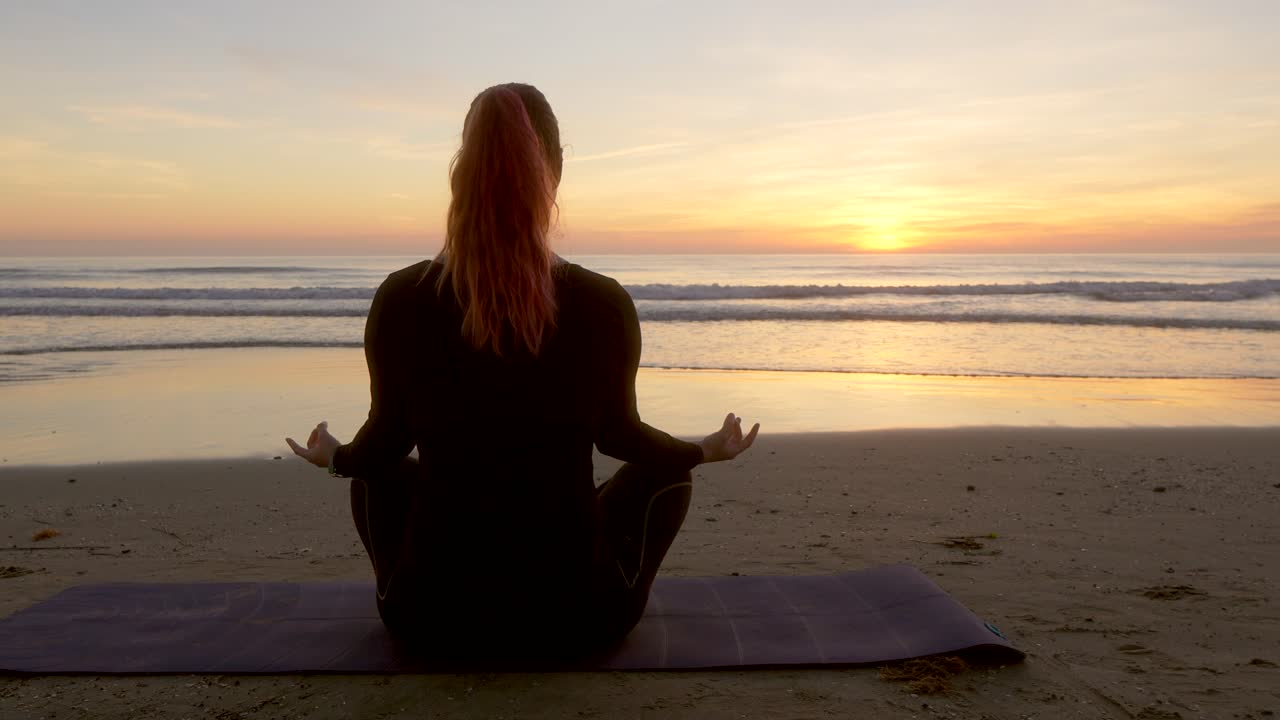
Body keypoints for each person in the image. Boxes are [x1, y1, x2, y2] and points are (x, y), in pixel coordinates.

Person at [286, 82, 759, 662]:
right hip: (576, 621)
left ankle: (400, 582)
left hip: (430, 621)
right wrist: (703, 451)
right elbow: (620, 436)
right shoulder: (601, 303)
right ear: (554, 171)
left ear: (460, 172)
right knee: (666, 473)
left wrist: (334, 456)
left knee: (375, 475)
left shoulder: (403, 297)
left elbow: (384, 444)